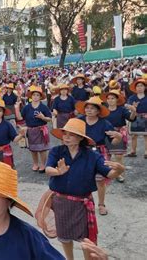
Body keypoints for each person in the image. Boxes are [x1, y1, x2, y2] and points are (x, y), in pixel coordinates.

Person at [44, 118, 125, 260]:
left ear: (81, 138)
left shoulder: (92, 155)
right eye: (65, 133)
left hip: (82, 203)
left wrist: (119, 170)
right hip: (61, 202)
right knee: (64, 237)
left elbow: (109, 173)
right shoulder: (56, 151)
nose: (66, 137)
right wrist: (57, 172)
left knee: (86, 240)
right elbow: (48, 169)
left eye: (71, 134)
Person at [75, 96, 122, 216]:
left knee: (100, 180)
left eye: (92, 108)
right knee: (80, 178)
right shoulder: (79, 121)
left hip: (100, 152)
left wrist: (118, 136)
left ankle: (101, 204)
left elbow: (113, 143)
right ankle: (82, 202)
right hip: (82, 152)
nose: (89, 110)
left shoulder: (104, 123)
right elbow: (70, 136)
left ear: (98, 111)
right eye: (87, 108)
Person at [101, 89, 136, 182]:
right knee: (106, 156)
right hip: (106, 134)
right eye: (108, 98)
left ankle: (119, 174)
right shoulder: (103, 110)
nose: (110, 100)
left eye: (112, 98)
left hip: (119, 133)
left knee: (119, 156)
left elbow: (131, 118)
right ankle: (106, 173)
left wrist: (133, 111)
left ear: (117, 100)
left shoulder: (122, 109)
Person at [15, 86, 52, 173]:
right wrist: (16, 108)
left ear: (40, 97)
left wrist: (42, 117)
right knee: (33, 149)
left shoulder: (43, 107)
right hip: (30, 130)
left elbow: (49, 119)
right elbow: (20, 117)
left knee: (42, 149)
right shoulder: (27, 107)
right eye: (34, 95)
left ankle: (43, 164)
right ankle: (35, 164)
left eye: (37, 95)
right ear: (31, 96)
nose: (35, 97)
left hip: (41, 130)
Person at [126, 78, 146, 158]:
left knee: (146, 136)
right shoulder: (132, 97)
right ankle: (133, 151)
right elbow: (127, 105)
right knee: (134, 135)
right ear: (135, 88)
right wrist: (132, 107)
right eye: (138, 86)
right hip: (134, 117)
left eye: (141, 86)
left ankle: (146, 152)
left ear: (144, 87)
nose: (139, 87)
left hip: (146, 118)